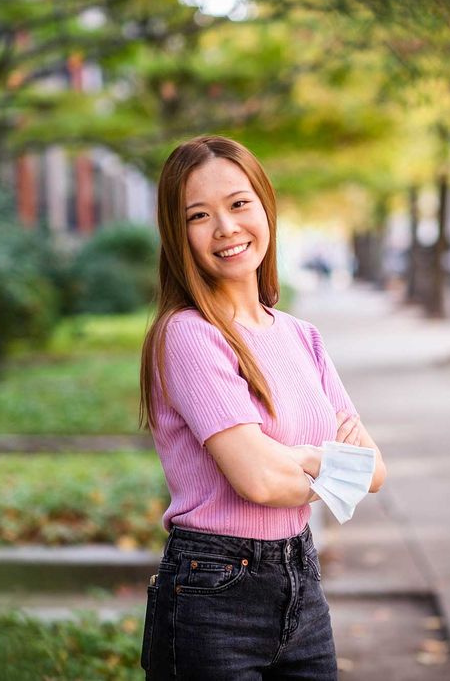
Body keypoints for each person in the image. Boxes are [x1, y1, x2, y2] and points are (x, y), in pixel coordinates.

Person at [137, 135, 387, 679]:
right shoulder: (188, 336)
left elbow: (374, 472)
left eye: (238, 203)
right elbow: (260, 483)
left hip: (301, 580)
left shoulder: (302, 336)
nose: (226, 228)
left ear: (265, 206)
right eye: (198, 215)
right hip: (213, 592)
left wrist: (295, 459)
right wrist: (327, 460)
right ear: (177, 235)